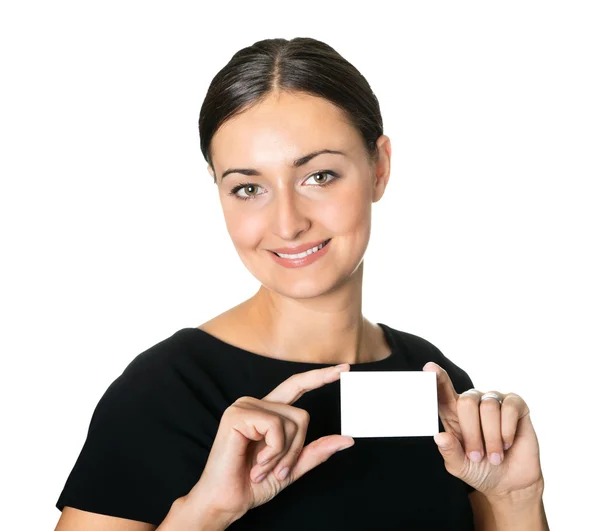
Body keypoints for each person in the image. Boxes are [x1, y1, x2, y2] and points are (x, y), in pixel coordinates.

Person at [54, 37, 549, 530]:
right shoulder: (166, 391)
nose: (287, 224)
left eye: (319, 176)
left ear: (379, 168)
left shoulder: (434, 384)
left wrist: (516, 499)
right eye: (248, 188)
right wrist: (207, 512)